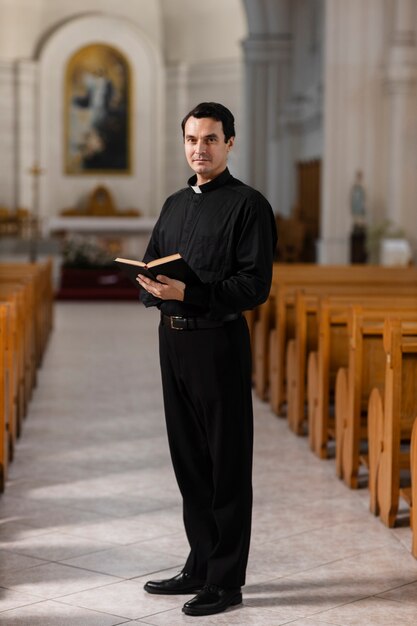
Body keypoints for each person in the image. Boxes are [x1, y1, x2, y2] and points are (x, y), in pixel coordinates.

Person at [138, 102, 277, 617]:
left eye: (211, 139)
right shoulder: (174, 203)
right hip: (172, 342)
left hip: (218, 343)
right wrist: (152, 287)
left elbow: (253, 285)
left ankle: (226, 580)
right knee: (189, 461)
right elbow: (153, 259)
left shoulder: (249, 205)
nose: (200, 148)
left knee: (226, 464)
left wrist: (187, 294)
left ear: (230, 143)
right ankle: (199, 564)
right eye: (193, 139)